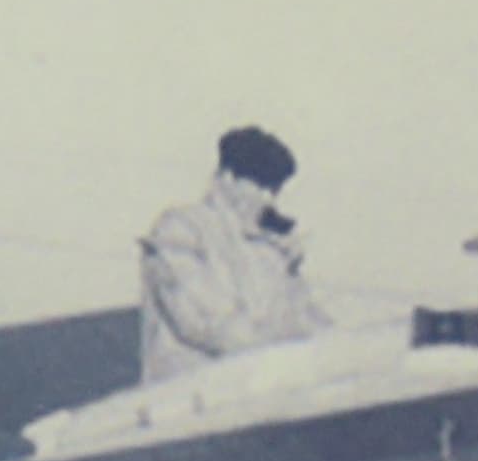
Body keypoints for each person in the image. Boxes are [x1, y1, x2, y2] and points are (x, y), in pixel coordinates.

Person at [138, 125, 332, 385]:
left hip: (260, 392)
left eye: (274, 190)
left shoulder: (271, 252)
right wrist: (284, 349)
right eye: (260, 185)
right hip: (188, 402)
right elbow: (203, 321)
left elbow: (308, 322)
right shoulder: (182, 229)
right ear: (227, 178)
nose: (267, 200)